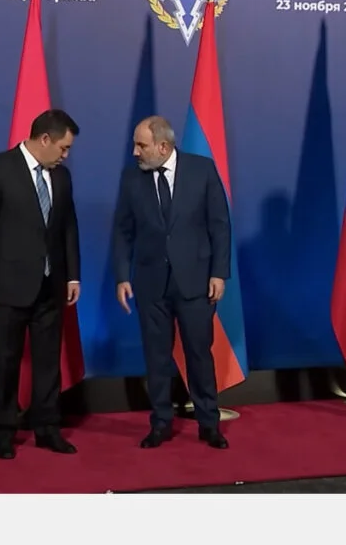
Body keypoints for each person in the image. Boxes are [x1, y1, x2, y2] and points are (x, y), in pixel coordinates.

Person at [0, 109, 82, 459]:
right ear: (44, 139)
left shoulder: (62, 177)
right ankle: (3, 431)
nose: (66, 155)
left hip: (51, 286)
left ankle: (47, 428)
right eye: (63, 148)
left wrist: (72, 274)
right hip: (7, 285)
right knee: (4, 361)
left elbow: (68, 227)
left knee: (48, 361)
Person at [112, 116, 230, 450]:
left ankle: (209, 423)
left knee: (199, 355)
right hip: (150, 283)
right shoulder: (131, 179)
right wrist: (122, 276)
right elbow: (122, 231)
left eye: (141, 145)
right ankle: (161, 422)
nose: (135, 152)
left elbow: (219, 225)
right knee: (156, 357)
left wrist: (219, 273)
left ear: (163, 147)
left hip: (195, 282)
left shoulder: (202, 170)